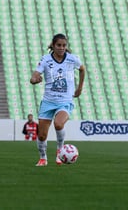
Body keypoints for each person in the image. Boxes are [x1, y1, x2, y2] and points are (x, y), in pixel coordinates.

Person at [30, 33, 86, 166]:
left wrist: (79, 88)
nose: (61, 48)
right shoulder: (46, 60)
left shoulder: (72, 59)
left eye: (64, 45)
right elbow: (34, 76)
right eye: (59, 45)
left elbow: (82, 70)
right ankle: (43, 158)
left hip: (65, 101)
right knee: (42, 135)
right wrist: (35, 80)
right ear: (53, 46)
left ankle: (60, 151)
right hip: (48, 101)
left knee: (59, 124)